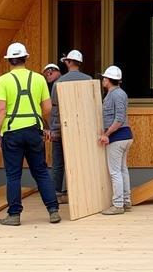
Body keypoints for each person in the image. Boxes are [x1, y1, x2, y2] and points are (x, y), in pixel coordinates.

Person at [0, 41, 61, 226]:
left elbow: (1, 110)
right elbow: (47, 108)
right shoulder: (38, 79)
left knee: (13, 175)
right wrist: (45, 127)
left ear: (9, 61)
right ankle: (53, 210)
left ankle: (14, 215)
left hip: (12, 132)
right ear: (26, 58)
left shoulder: (3, 80)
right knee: (41, 172)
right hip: (33, 131)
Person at [49, 49, 92, 204]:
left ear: (68, 62)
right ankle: (77, 193)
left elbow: (55, 108)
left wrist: (53, 129)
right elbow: (92, 107)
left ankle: (56, 195)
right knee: (79, 161)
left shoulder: (59, 82)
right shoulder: (88, 80)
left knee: (58, 163)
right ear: (79, 63)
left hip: (61, 129)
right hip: (81, 131)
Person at [97, 65, 134, 215]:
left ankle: (118, 205)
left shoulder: (116, 95)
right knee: (122, 169)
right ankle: (126, 201)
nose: (102, 80)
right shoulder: (117, 93)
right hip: (124, 136)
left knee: (115, 172)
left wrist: (107, 134)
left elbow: (119, 119)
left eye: (104, 78)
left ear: (108, 80)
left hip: (118, 137)